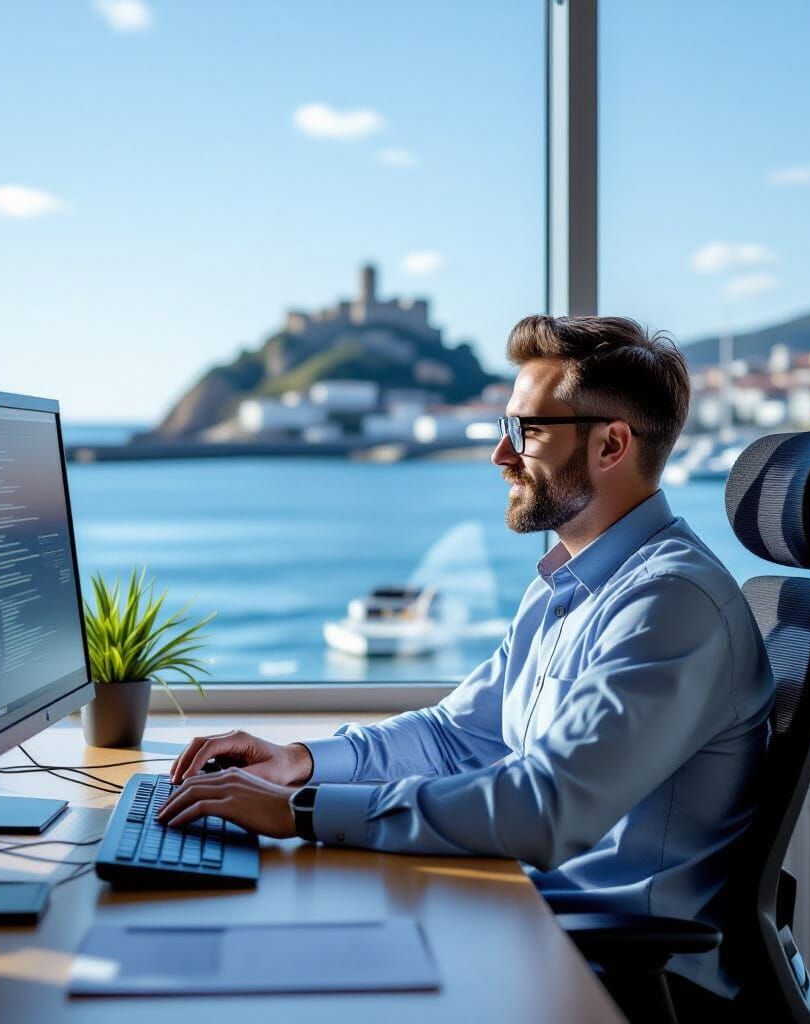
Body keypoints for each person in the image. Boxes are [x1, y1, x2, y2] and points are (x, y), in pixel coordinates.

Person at [157, 314, 774, 1007]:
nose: (500, 458)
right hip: (538, 918)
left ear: (611, 445)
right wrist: (299, 762)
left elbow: (545, 810)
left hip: (616, 965)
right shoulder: (568, 585)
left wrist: (301, 811)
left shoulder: (670, 603)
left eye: (527, 431)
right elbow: (456, 736)